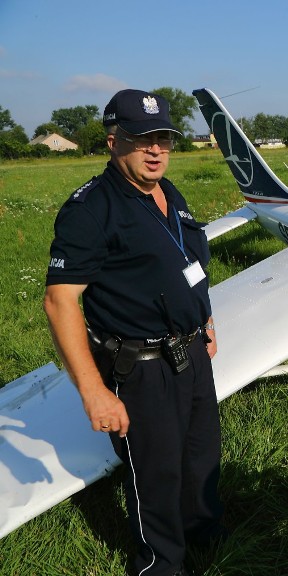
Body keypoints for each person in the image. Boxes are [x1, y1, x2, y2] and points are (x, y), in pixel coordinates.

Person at [44, 89, 224, 576]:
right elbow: (60, 301)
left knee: (201, 453)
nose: (155, 149)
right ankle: (160, 565)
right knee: (156, 473)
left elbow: (189, 263)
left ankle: (204, 536)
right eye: (141, 139)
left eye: (163, 138)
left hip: (190, 352)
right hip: (140, 366)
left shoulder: (170, 193)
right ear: (112, 141)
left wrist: (203, 320)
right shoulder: (91, 209)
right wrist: (94, 393)